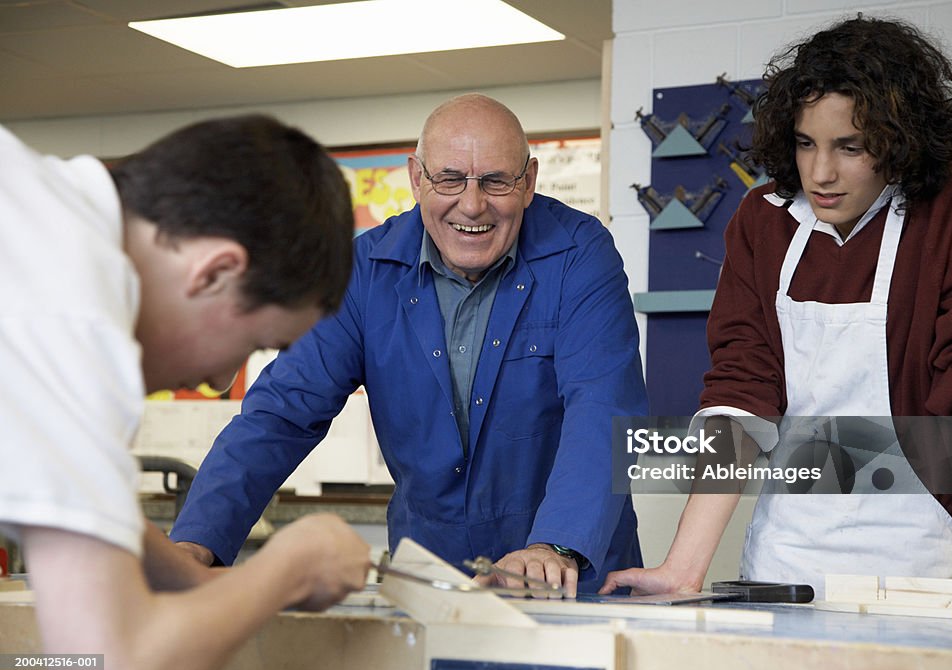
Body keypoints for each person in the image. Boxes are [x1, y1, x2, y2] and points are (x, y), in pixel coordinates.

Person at [601, 15, 952, 598]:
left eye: (850, 148)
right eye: (805, 144)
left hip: (916, 556)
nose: (820, 174)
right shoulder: (763, 220)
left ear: (898, 144)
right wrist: (684, 567)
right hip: (783, 554)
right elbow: (740, 393)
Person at [170, 93, 648, 597]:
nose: (472, 204)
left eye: (495, 181)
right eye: (448, 179)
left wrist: (555, 545)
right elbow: (282, 411)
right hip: (432, 576)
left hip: (569, 572)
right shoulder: (364, 272)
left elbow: (605, 407)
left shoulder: (579, 254)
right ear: (416, 178)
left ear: (528, 182)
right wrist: (196, 542)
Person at [0, 115, 371, 670]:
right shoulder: (76, 319)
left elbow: (67, 490)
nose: (222, 381)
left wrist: (188, 576)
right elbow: (109, 668)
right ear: (215, 271)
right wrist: (290, 568)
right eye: (253, 343)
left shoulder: (35, 211)